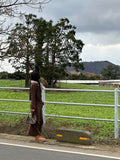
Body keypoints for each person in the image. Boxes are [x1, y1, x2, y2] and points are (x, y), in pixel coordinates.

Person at [27, 72, 46, 142]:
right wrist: (33, 107)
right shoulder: (34, 85)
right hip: (35, 106)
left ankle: (38, 135)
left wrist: (41, 103)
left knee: (40, 120)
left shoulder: (37, 84)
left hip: (38, 105)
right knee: (36, 121)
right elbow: (33, 97)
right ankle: (37, 136)